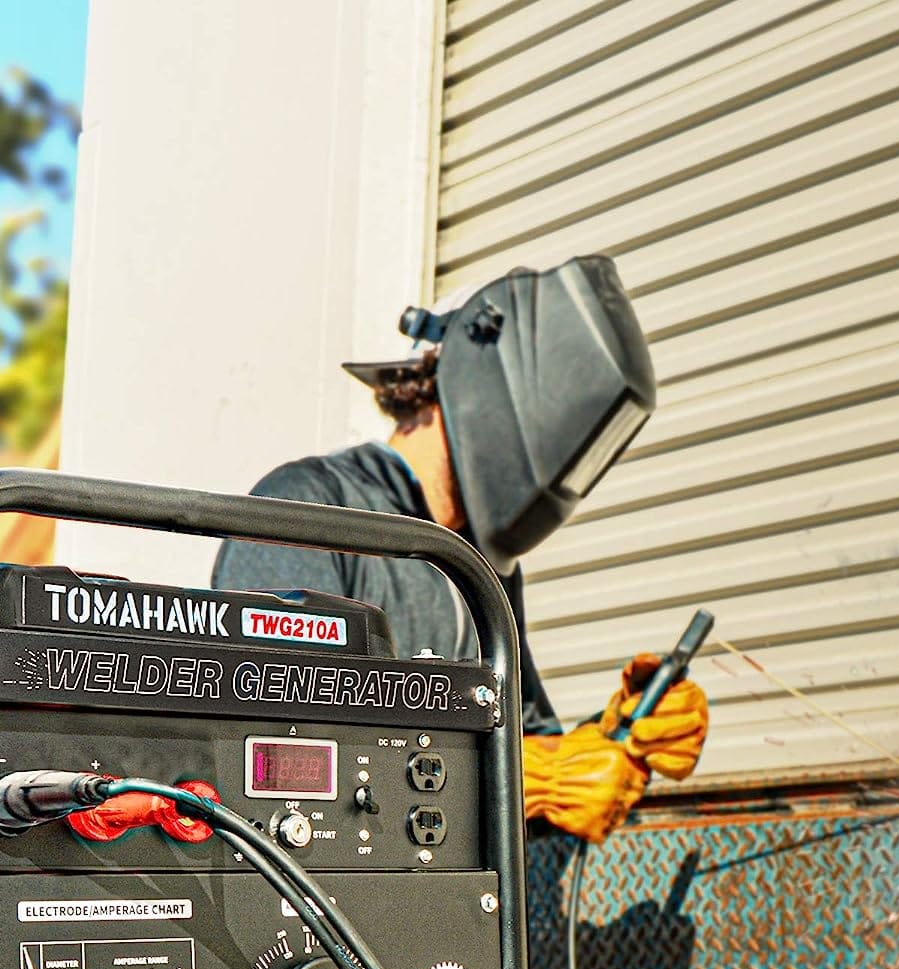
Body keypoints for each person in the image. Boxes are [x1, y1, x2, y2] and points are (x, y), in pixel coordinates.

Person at [212, 258, 709, 839]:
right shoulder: (313, 508)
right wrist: (522, 776)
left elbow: (523, 748)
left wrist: (613, 738)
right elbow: (277, 758)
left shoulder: (481, 565)